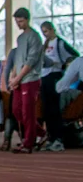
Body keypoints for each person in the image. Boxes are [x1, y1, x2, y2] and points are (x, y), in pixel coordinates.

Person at [7, 8, 43, 154]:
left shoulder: (34, 37)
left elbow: (30, 61)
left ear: (27, 20)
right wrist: (13, 76)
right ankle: (39, 132)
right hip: (19, 79)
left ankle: (28, 143)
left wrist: (18, 77)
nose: (18, 24)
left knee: (28, 111)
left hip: (30, 78)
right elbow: (18, 59)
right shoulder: (20, 38)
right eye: (16, 21)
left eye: (21, 21)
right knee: (16, 110)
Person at [39, 21, 77, 152]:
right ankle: (51, 138)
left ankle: (58, 139)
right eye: (43, 32)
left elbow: (74, 55)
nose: (45, 34)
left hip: (55, 76)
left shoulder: (60, 43)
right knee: (46, 110)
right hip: (44, 77)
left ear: (52, 30)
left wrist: (62, 66)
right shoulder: (44, 45)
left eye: (47, 31)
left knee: (55, 109)